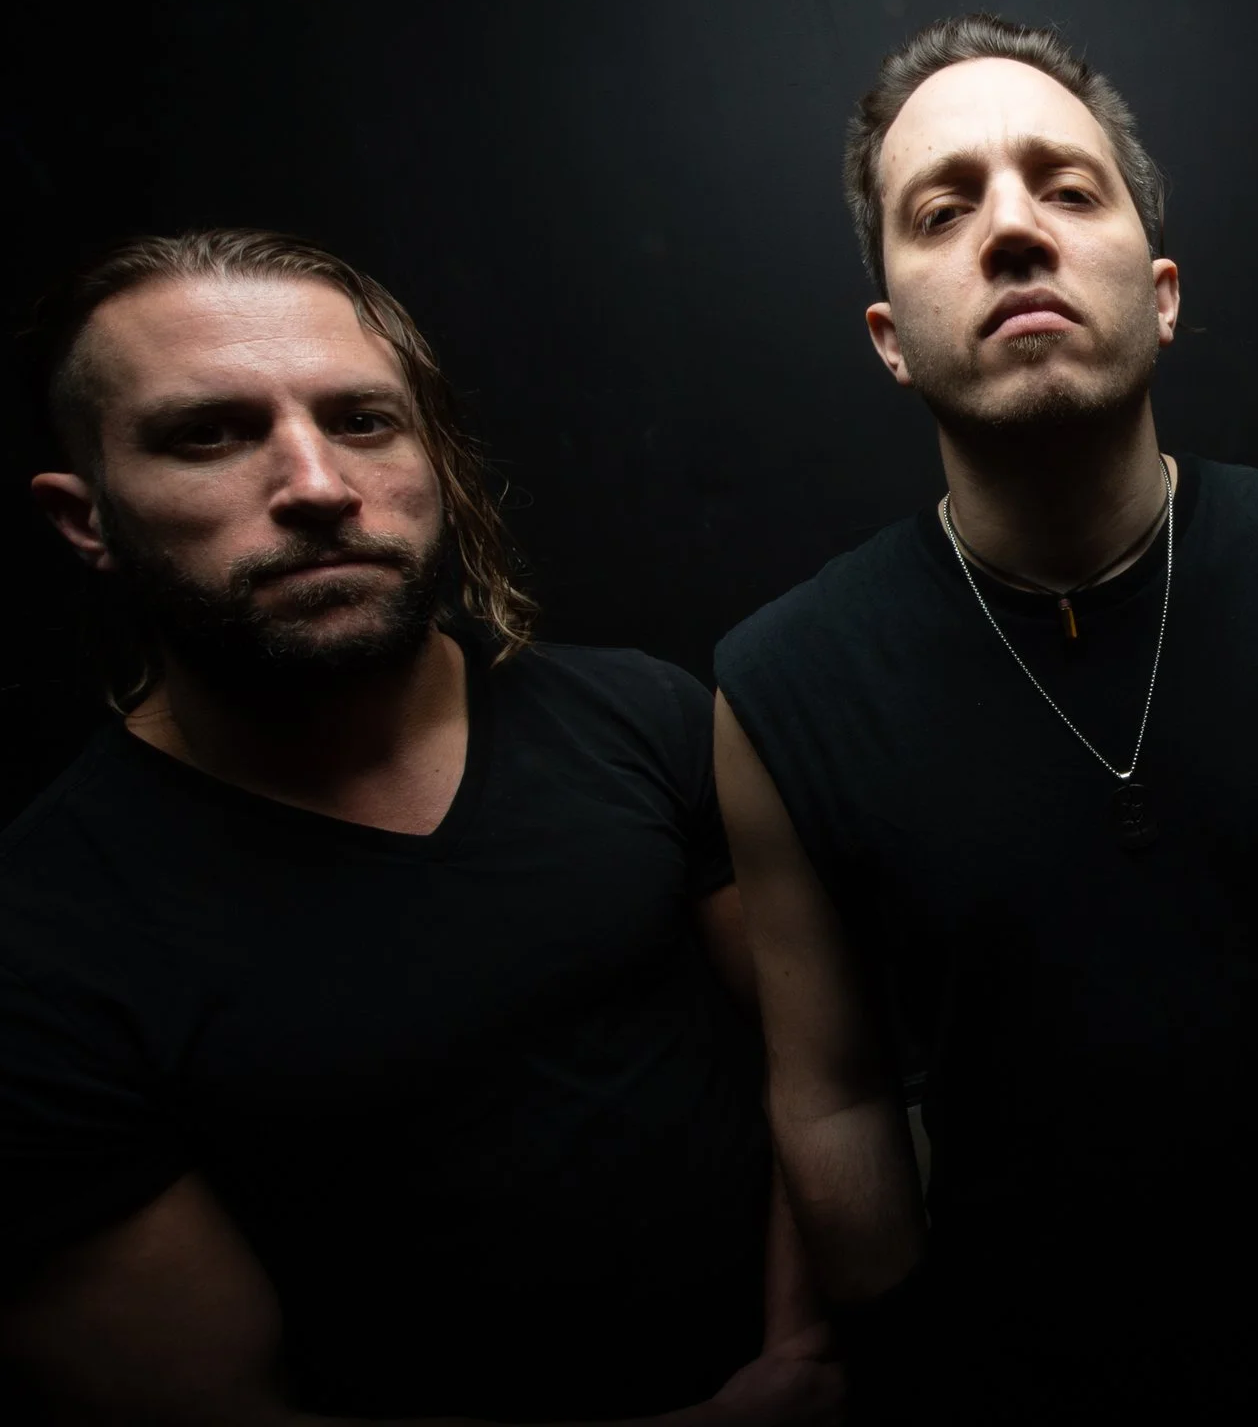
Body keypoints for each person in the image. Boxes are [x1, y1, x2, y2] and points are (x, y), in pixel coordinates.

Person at [713, 15, 1258, 1419]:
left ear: (1162, 293)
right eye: (943, 209)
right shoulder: (784, 682)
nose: (1014, 231)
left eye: (1067, 188)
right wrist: (911, 1379)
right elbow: (832, 1098)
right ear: (890, 339)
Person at [0, 232, 838, 1424]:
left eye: (362, 420)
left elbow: (819, 1061)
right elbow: (215, 1397)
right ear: (85, 517)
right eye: (210, 434)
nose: (316, 483)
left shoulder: (643, 717)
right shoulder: (41, 938)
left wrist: (802, 1350)